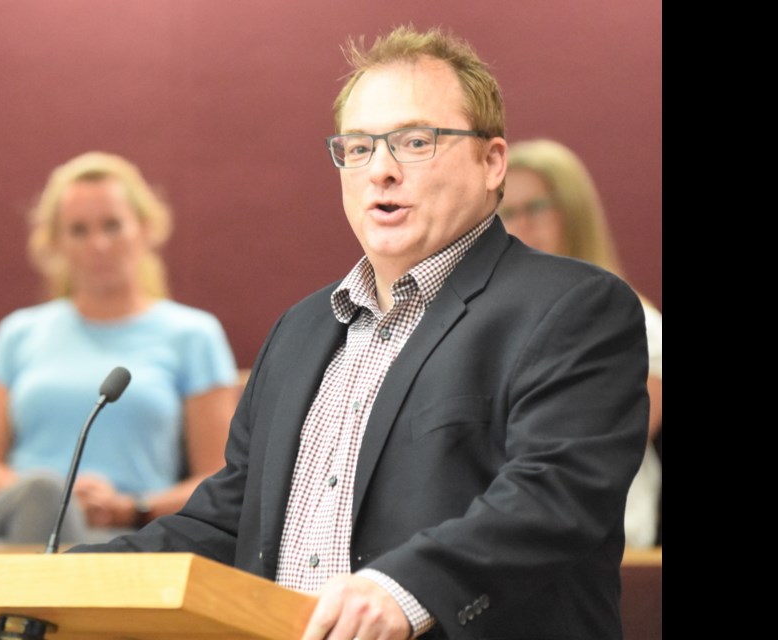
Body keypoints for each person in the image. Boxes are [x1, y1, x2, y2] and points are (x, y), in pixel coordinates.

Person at [71, 26, 649, 640]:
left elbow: (554, 497)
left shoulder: (572, 307)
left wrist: (406, 590)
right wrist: (71, 582)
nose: (381, 171)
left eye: (415, 142)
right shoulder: (301, 329)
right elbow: (230, 520)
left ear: (491, 162)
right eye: (359, 148)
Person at [0, 151, 240, 546]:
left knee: (84, 550)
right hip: (4, 532)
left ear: (145, 229)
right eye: (79, 230)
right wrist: (58, 497)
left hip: (125, 536)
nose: (99, 244)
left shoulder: (193, 335)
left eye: (112, 225)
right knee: (45, 496)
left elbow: (218, 478)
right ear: (56, 243)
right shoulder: (18, 333)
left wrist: (132, 506)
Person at [501, 138, 662, 548]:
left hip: (607, 550)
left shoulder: (636, 324)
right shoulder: (492, 327)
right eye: (505, 213)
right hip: (512, 545)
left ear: (573, 213)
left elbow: (597, 447)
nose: (520, 226)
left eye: (535, 208)